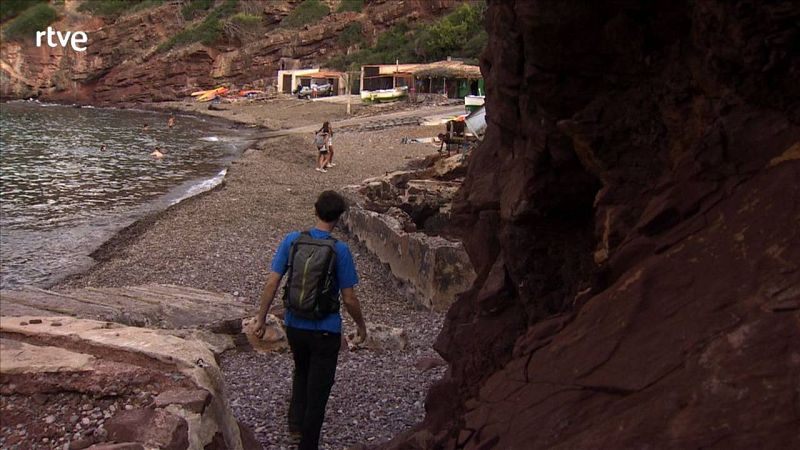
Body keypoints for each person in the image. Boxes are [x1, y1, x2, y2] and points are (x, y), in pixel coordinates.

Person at [255, 191, 367, 450]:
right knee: (319, 389)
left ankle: (296, 425)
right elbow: (349, 298)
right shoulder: (340, 250)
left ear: (315, 211)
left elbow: (272, 283)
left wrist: (261, 319)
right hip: (326, 330)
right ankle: (308, 444)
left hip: (294, 324)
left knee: (301, 370)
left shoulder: (292, 240)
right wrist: (361, 325)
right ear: (339, 218)